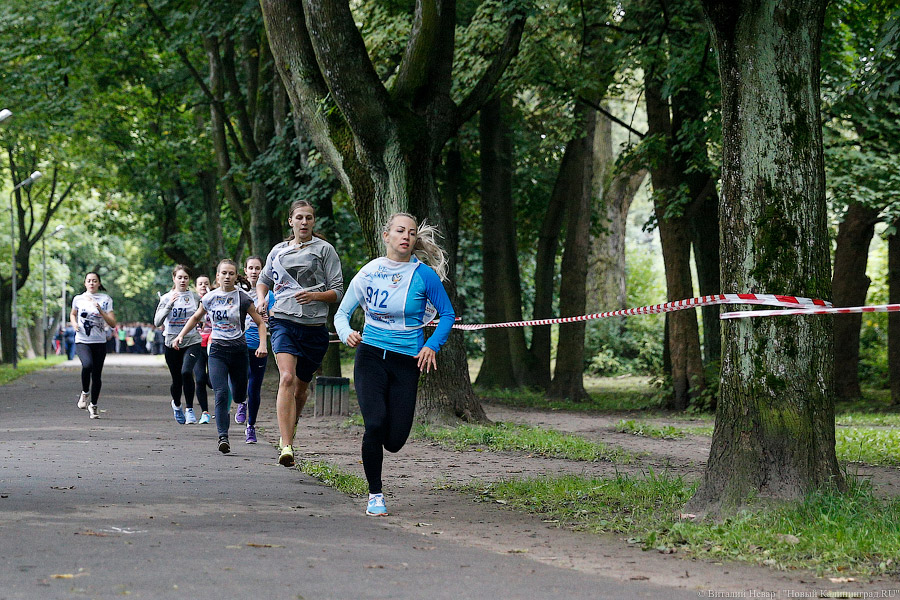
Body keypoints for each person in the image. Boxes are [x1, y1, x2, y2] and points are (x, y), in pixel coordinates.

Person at [335, 213, 455, 516]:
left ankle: (384, 443)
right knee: (374, 424)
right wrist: (346, 332)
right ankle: (375, 495)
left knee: (395, 440)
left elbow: (448, 315)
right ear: (386, 235)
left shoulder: (424, 275)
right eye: (400, 231)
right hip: (371, 356)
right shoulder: (369, 272)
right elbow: (341, 314)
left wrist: (431, 345)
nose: (406, 236)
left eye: (412, 233)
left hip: (406, 362)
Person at [256, 200, 343, 467]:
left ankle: (289, 429)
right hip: (283, 321)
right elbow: (264, 281)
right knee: (286, 378)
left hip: (315, 328)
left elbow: (338, 290)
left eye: (309, 218)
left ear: (314, 222)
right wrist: (261, 299)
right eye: (299, 218)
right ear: (290, 221)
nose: (304, 222)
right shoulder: (278, 251)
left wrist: (315, 295)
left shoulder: (325, 250)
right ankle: (286, 445)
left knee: (301, 390)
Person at [174, 259, 267, 453]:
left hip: (239, 351)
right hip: (217, 350)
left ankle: (242, 401)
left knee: (240, 394)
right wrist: (181, 335)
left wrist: (262, 345)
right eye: (223, 273)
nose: (227, 277)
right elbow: (196, 317)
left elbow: (259, 322)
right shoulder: (209, 298)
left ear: (235, 276)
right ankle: (223, 437)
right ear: (217, 276)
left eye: (231, 273)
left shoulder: (242, 298)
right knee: (221, 393)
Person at [154, 265, 204, 425]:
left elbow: (201, 315)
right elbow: (157, 322)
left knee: (186, 372)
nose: (183, 280)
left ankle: (189, 409)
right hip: (171, 342)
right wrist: (169, 305)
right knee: (177, 379)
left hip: (192, 340)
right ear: (174, 278)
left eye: (186, 278)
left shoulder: (195, 297)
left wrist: (201, 321)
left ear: (189, 280)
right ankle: (176, 404)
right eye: (179, 277)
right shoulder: (166, 297)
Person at [238, 256, 275, 444]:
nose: (254, 271)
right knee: (239, 382)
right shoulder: (237, 292)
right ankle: (240, 402)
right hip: (238, 344)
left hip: (259, 345)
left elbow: (277, 317)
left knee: (254, 388)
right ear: (245, 270)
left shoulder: (270, 294)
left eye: (257, 268)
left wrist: (270, 318)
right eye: (250, 268)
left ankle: (250, 426)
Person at [71, 272, 117, 419]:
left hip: (99, 342)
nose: (91, 283)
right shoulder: (78, 299)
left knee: (97, 375)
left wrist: (101, 311)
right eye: (89, 281)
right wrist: (74, 324)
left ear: (99, 283)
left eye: (94, 281)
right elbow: (73, 314)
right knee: (87, 365)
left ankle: (94, 406)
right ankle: (85, 393)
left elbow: (112, 323)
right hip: (82, 340)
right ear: (85, 283)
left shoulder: (105, 299)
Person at [193, 275, 213, 424]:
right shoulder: (192, 302)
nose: (203, 286)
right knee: (199, 379)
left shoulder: (215, 299)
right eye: (200, 284)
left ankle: (222, 408)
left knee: (213, 380)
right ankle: (205, 412)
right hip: (197, 343)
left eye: (206, 283)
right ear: (196, 287)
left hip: (214, 343)